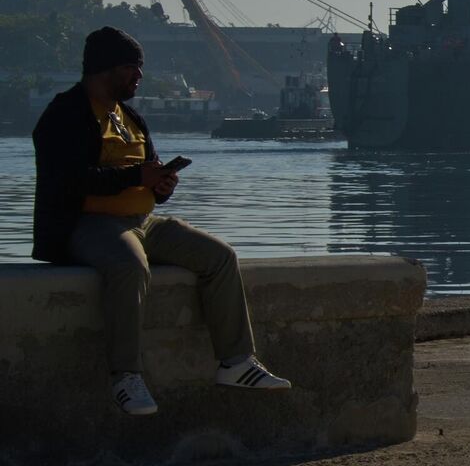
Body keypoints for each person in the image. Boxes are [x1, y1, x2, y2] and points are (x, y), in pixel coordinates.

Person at [32, 27, 291, 417]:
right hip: (89, 223)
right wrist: (137, 178)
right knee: (129, 266)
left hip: (144, 219)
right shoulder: (64, 113)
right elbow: (67, 180)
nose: (139, 76)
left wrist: (161, 184)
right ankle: (126, 376)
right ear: (106, 68)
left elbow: (146, 176)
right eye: (132, 68)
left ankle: (236, 363)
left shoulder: (129, 115)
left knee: (219, 256)